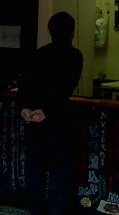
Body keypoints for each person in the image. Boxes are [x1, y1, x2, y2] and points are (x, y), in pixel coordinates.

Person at [19, 12, 84, 215]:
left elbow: (25, 84)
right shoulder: (74, 56)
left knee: (35, 171)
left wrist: (25, 108)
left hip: (34, 122)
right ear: (72, 33)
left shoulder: (39, 54)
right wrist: (46, 111)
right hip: (57, 120)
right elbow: (64, 89)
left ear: (50, 31)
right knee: (59, 172)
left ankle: (36, 210)